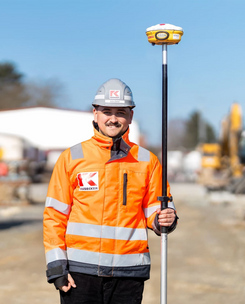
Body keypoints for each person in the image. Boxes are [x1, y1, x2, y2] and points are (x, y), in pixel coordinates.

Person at [43, 78, 178, 304]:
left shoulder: (147, 161)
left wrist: (165, 219)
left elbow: (157, 211)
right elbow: (55, 216)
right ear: (95, 114)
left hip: (129, 274)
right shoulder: (72, 158)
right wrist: (57, 267)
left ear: (130, 117)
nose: (113, 119)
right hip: (80, 274)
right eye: (107, 111)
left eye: (120, 112)